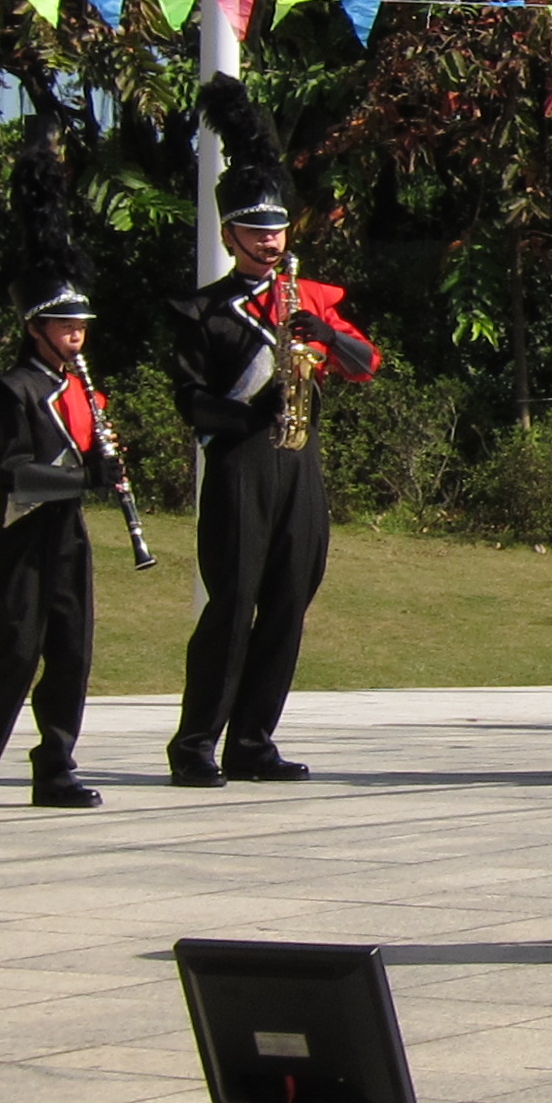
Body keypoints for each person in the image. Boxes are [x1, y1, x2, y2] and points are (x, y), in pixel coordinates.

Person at [164, 74, 381, 788]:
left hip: (300, 465)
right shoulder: (201, 311)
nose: (268, 241)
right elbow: (192, 402)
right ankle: (196, 742)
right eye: (254, 231)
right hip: (241, 463)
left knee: (290, 601)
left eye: (276, 229)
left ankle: (254, 740)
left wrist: (323, 332)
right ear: (230, 236)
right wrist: (251, 415)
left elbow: (365, 365)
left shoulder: (309, 296)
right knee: (232, 606)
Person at [0, 120, 122, 810]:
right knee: (18, 652)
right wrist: (84, 478)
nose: (77, 335)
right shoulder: (9, 388)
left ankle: (56, 766)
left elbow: (87, 454)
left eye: (82, 326)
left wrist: (106, 462)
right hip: (22, 537)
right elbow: (12, 470)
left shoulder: (83, 387)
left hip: (68, 536)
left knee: (72, 652)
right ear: (35, 328)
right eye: (65, 326)